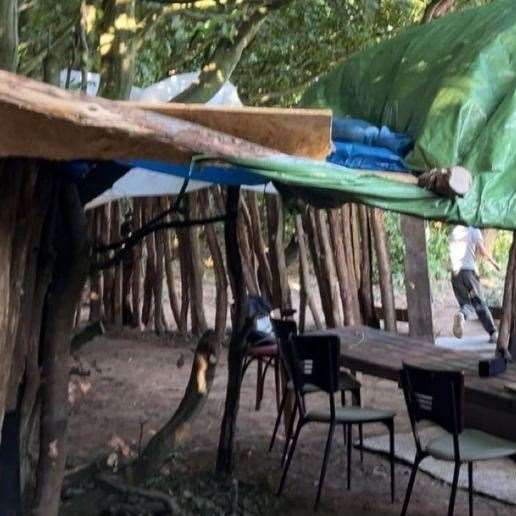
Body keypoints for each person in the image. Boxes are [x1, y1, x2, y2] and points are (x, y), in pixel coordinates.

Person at [449, 225, 500, 342]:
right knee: (479, 302)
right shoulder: (474, 230)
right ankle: (493, 333)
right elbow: (482, 250)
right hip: (469, 272)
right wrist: (493, 262)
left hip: (455, 273)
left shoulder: (455, 230)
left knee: (466, 304)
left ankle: (462, 315)